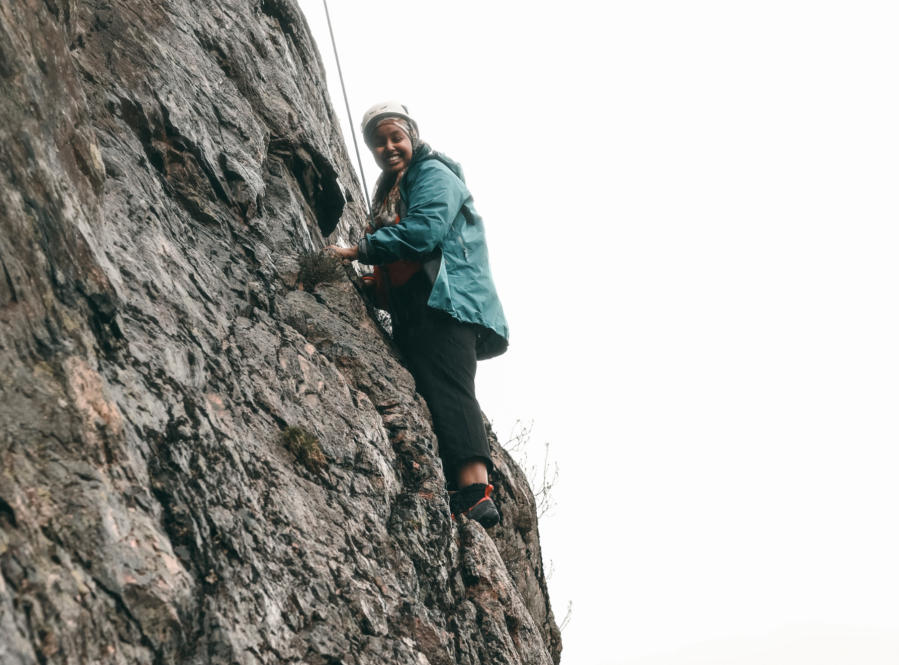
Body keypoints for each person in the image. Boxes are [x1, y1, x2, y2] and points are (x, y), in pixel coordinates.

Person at [327, 101, 509, 528]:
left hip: (448, 305)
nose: (388, 147)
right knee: (434, 390)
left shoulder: (432, 175)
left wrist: (359, 251)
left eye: (396, 137)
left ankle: (477, 495)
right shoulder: (394, 187)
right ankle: (461, 489)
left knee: (449, 387)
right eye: (378, 142)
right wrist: (378, 285)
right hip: (422, 306)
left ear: (412, 138)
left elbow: (425, 231)